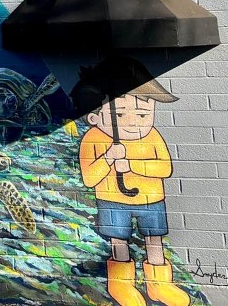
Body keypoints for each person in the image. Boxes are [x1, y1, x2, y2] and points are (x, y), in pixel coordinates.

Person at [72, 58, 189, 306]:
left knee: (154, 239)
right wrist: (108, 158)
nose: (133, 121)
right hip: (112, 200)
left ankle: (159, 285)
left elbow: (165, 168)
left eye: (143, 113)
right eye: (120, 114)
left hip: (151, 199)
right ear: (94, 117)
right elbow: (90, 177)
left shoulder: (152, 136)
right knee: (119, 242)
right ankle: (122, 285)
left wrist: (133, 165)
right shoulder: (93, 139)